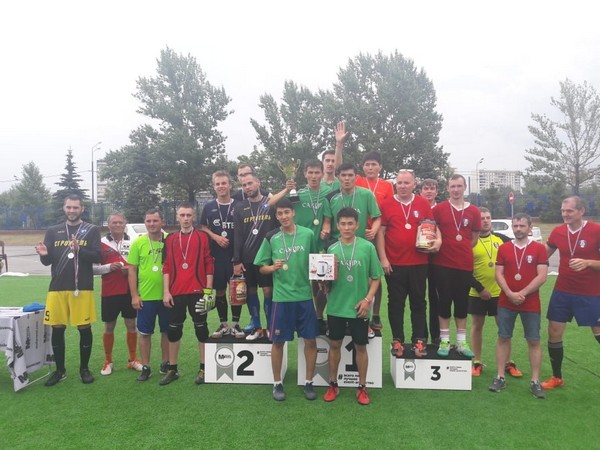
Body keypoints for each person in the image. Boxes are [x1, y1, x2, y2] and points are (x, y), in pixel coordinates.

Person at [254, 198, 318, 401]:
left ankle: (309, 382)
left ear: (293, 213)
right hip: (281, 299)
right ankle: (277, 383)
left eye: (286, 212)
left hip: (304, 296)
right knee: (278, 341)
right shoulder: (271, 237)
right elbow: (261, 267)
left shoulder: (307, 234)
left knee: (310, 340)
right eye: (280, 213)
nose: (283, 216)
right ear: (276, 216)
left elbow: (316, 260)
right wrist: (272, 267)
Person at [35, 194, 102, 386]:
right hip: (57, 288)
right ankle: (60, 370)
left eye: (75, 207)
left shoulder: (91, 230)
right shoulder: (53, 231)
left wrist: (80, 249)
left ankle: (84, 369)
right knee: (57, 328)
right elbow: (48, 261)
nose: (72, 211)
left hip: (82, 287)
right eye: (69, 207)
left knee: (84, 328)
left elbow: (97, 256)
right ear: (64, 208)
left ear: (82, 209)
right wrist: (44, 255)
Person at [334, 122, 393, 331]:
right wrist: (339, 145)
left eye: (373, 164)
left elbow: (384, 214)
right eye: (367, 164)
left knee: (375, 277)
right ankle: (348, 312)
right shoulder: (356, 181)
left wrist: (376, 229)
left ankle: (374, 314)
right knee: (353, 276)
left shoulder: (387, 186)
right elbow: (340, 169)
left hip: (373, 236)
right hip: (350, 234)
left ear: (380, 167)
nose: (370, 167)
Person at [323, 207, 384, 405]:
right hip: (336, 306)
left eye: (350, 224)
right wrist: (323, 283)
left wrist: (367, 300)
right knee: (335, 345)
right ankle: (333, 384)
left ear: (357, 225)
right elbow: (326, 280)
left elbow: (376, 277)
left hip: (360, 307)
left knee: (360, 346)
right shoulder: (331, 249)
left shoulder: (367, 247)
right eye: (343, 224)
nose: (347, 227)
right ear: (337, 226)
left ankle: (362, 387)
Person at [376, 169, 440, 359]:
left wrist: (438, 241)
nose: (402, 186)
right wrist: (383, 258)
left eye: (406, 183)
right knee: (396, 303)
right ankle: (397, 339)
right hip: (394, 264)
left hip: (419, 263)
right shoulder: (386, 204)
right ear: (395, 184)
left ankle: (419, 340)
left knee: (418, 302)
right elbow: (381, 233)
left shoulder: (422, 203)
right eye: (400, 183)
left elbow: (432, 227)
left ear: (414, 184)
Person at [541, 196, 600, 390]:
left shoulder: (596, 230)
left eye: (569, 211)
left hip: (591, 292)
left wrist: (588, 263)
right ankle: (557, 377)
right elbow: (542, 256)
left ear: (581, 211)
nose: (565, 214)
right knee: (554, 332)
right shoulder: (558, 232)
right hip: (563, 291)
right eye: (563, 211)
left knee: (598, 333)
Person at [489, 213, 548, 398]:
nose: (518, 229)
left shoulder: (539, 248)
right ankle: (500, 376)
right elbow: (498, 273)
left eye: (522, 226)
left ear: (530, 228)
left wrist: (522, 293)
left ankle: (535, 381)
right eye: (515, 226)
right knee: (503, 337)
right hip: (506, 301)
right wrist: (509, 293)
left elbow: (542, 276)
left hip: (530, 302)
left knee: (534, 340)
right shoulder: (504, 248)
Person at [160, 203, 214, 385]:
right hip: (176, 292)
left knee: (201, 330)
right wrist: (166, 291)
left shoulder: (202, 237)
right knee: (174, 331)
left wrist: (208, 292)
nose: (185, 218)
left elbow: (209, 264)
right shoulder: (170, 239)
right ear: (177, 217)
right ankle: (173, 369)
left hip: (198, 291)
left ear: (194, 217)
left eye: (188, 215)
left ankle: (204, 368)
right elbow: (166, 267)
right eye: (182, 215)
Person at [469, 207, 522, 378]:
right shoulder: (471, 241)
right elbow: (465, 269)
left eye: (488, 217)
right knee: (477, 326)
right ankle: (477, 362)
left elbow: (517, 257)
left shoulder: (502, 239)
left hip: (500, 293)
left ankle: (508, 363)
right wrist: (480, 288)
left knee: (504, 328)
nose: (485, 221)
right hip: (477, 293)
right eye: (482, 218)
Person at [432, 174, 481, 357]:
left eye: (459, 186)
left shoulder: (474, 211)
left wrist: (461, 249)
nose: (456, 189)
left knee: (462, 303)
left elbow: (474, 238)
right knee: (444, 302)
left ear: (465, 187)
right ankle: (445, 340)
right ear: (447, 188)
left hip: (464, 265)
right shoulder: (439, 209)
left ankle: (461, 342)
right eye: (452, 186)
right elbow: (433, 232)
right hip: (442, 264)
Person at [93, 212, 142, 376]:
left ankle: (133, 359)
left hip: (129, 291)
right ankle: (108, 361)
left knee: (131, 325)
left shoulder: (134, 241)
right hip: (109, 291)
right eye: (114, 222)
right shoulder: (101, 243)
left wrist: (131, 270)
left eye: (120, 222)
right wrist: (109, 267)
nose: (117, 225)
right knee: (109, 327)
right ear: (108, 225)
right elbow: (92, 269)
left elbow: (141, 265)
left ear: (125, 224)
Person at [232, 172, 278, 340]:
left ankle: (270, 325)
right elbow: (237, 235)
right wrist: (236, 260)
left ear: (258, 182)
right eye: (244, 185)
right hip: (247, 257)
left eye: (250, 183)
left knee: (268, 290)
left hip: (266, 257)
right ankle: (256, 325)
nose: (247, 187)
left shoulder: (270, 204)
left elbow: (277, 229)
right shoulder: (239, 207)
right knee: (250, 290)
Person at [200, 170, 245, 339]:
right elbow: (203, 226)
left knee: (237, 290)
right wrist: (215, 237)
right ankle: (224, 324)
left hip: (235, 257)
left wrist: (239, 257)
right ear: (214, 186)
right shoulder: (209, 206)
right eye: (217, 184)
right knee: (219, 291)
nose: (221, 186)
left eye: (224, 183)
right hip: (217, 257)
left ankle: (236, 324)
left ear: (230, 185)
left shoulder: (239, 205)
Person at [127, 208, 170, 382]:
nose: (152, 224)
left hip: (167, 296)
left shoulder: (170, 240)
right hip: (145, 297)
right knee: (145, 333)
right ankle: (146, 366)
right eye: (148, 221)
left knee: (167, 331)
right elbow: (132, 270)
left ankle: (166, 363)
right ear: (145, 223)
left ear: (162, 222)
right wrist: (134, 295)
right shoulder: (138, 243)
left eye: (155, 220)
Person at [420, 178, 440, 344]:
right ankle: (421, 335)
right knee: (419, 298)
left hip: (437, 259)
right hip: (419, 258)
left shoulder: (440, 209)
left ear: (436, 192)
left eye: (432, 189)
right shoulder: (417, 207)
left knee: (436, 298)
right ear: (421, 191)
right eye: (426, 188)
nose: (429, 191)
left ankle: (436, 336)